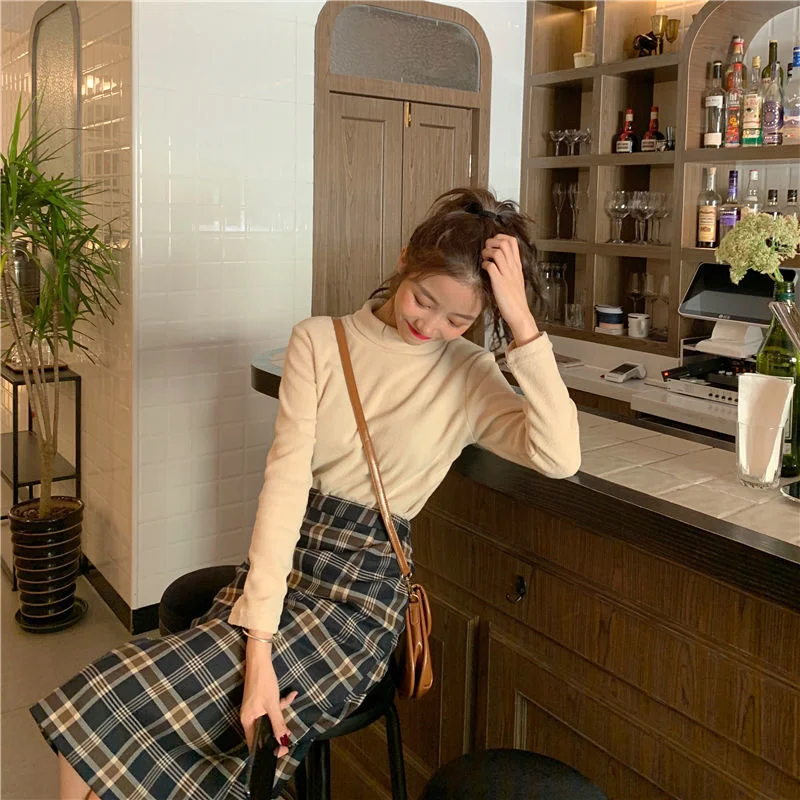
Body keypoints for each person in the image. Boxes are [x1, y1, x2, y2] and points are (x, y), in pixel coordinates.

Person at [32, 187, 581, 800]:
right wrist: (259, 648)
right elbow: (285, 488)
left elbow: (559, 455)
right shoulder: (319, 341)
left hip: (360, 602)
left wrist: (522, 325)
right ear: (404, 259)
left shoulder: (468, 373)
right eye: (423, 300)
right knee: (103, 709)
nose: (431, 326)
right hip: (284, 571)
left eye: (458, 320)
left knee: (110, 714)